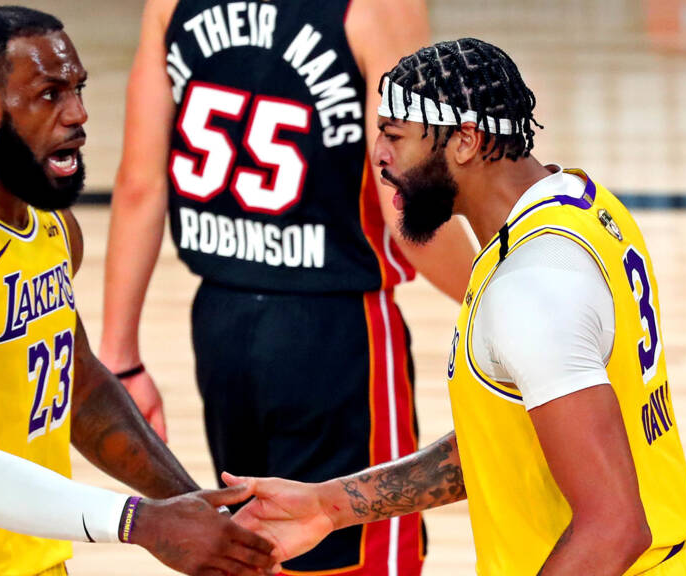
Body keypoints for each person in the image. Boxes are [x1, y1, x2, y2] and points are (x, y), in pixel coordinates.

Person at [226, 38, 686, 575]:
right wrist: (332, 505)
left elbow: (614, 527)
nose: (378, 156)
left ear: (465, 140)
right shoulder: (577, 204)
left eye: (394, 135)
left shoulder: (532, 284)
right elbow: (514, 434)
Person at [0, 7, 276, 576]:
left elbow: (79, 384)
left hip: (38, 566)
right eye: (50, 94)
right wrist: (143, 522)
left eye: (78, 88)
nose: (79, 113)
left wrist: (200, 512)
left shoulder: (49, 223)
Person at [99, 0, 477, 573]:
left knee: (257, 549)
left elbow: (138, 185)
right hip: (335, 333)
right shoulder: (377, 8)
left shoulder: (170, 5)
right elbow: (405, 200)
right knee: (354, 557)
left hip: (220, 325)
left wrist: (121, 359)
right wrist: (496, 292)